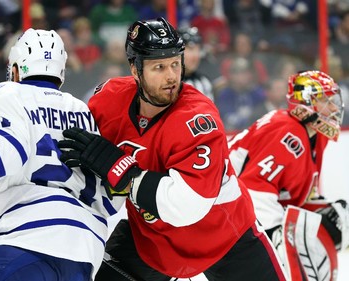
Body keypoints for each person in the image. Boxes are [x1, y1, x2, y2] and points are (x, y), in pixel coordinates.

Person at [58, 17, 286, 281]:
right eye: (159, 67)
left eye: (175, 64)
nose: (171, 77)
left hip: (223, 236)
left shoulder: (197, 118)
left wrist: (122, 172)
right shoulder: (108, 100)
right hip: (152, 239)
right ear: (135, 69)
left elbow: (188, 204)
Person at [0, 28, 124, 281]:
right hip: (84, 251)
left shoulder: (6, 94)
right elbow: (109, 201)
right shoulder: (82, 111)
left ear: (16, 68)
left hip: (23, 240)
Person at [228, 70, 349, 280]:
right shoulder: (287, 132)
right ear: (305, 103)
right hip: (227, 217)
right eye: (325, 101)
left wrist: (321, 211)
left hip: (243, 212)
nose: (333, 107)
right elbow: (254, 189)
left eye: (333, 100)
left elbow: (294, 194)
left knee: (338, 217)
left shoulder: (315, 136)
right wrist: (276, 234)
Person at [178, 26, 215, 101]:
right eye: (191, 49)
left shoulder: (204, 82)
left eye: (198, 50)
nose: (196, 56)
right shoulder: (167, 84)